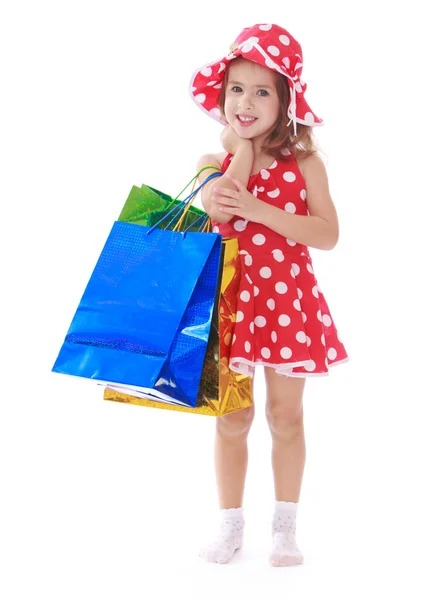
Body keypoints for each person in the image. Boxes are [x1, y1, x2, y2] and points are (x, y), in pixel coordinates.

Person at [189, 23, 348, 567]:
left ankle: (285, 527)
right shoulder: (214, 164)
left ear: (286, 101)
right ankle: (230, 525)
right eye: (236, 88)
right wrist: (238, 147)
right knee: (231, 416)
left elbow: (327, 234)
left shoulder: (307, 164)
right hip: (233, 302)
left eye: (262, 91)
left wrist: (266, 211)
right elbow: (222, 205)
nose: (246, 101)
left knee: (286, 417)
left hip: (286, 304)